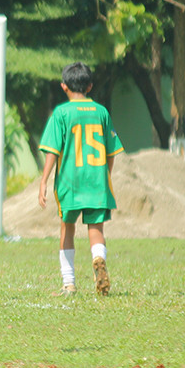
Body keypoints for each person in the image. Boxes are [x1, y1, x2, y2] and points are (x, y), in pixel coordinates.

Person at [37, 62, 123, 296]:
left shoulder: (62, 113)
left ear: (64, 86)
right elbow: (110, 152)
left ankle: (69, 283)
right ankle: (98, 258)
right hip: (97, 181)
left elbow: (53, 151)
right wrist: (105, 176)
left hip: (70, 183)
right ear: (90, 86)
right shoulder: (101, 112)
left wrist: (44, 181)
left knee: (67, 228)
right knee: (96, 229)